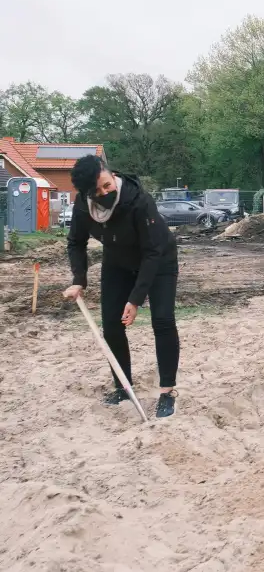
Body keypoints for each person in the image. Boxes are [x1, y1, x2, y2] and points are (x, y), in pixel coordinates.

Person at [63, 154, 181, 418]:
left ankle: (167, 392)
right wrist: (79, 280)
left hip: (158, 259)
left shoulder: (138, 200)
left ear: (108, 172)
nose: (105, 192)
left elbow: (152, 252)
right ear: (87, 193)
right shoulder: (83, 206)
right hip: (117, 261)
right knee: (111, 326)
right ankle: (123, 387)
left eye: (107, 185)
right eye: (98, 191)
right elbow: (76, 242)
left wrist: (136, 299)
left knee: (162, 320)